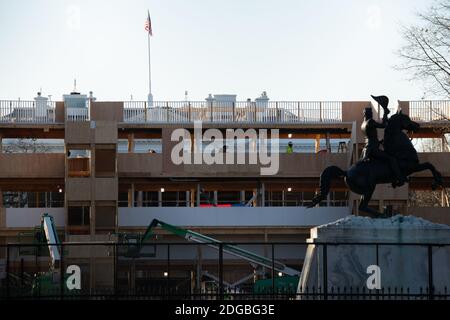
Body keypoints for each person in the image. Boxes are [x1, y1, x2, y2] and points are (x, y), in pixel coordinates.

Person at [361, 95, 406, 187]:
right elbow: (383, 125)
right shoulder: (370, 122)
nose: (372, 115)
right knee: (392, 159)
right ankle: (399, 179)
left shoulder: (363, 124)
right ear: (369, 114)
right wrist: (385, 113)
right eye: (371, 114)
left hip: (368, 148)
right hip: (373, 149)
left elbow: (370, 137)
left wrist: (379, 141)